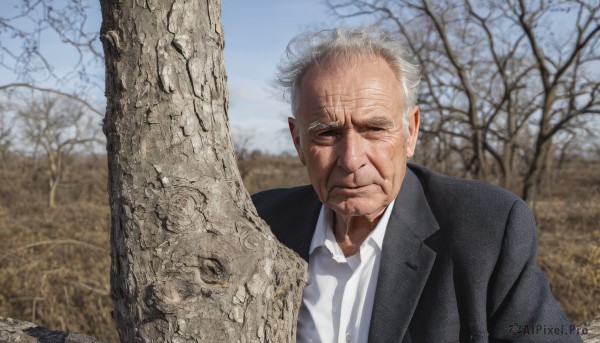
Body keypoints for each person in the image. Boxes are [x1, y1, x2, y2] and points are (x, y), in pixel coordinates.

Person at [251, 27, 581, 343]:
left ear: (411, 130)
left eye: (374, 130)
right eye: (327, 133)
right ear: (298, 141)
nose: (351, 159)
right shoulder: (257, 225)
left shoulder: (488, 229)